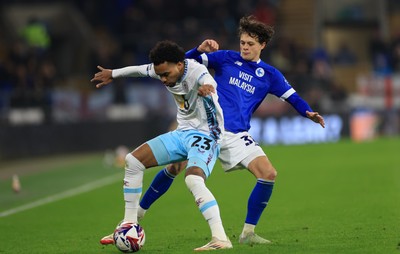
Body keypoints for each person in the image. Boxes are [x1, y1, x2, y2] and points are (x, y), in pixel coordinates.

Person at [99, 16, 325, 246]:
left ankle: (248, 232)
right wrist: (198, 49)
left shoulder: (270, 75)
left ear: (262, 45)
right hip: (204, 128)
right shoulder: (226, 58)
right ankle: (133, 221)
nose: (245, 47)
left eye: (250, 44)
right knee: (175, 168)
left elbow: (293, 97)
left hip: (236, 134)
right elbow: (181, 64)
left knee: (268, 174)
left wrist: (307, 112)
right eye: (243, 42)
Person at [91, 40, 232, 251]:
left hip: (207, 134)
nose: (163, 79)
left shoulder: (196, 71)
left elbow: (210, 83)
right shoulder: (161, 70)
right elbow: (139, 70)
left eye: (166, 74)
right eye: (160, 75)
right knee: (133, 160)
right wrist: (113, 73)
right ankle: (129, 224)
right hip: (182, 132)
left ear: (180, 64)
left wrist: (208, 89)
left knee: (193, 179)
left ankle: (220, 238)